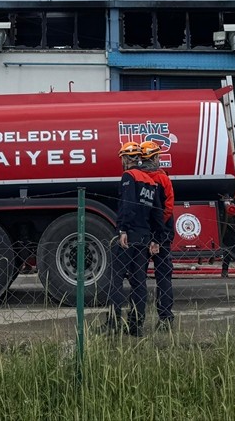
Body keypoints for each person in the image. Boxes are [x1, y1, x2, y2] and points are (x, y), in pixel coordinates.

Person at [104, 141, 167, 337]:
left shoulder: (128, 176)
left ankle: (113, 323)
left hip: (129, 236)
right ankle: (136, 326)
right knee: (139, 281)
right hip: (145, 237)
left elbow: (127, 205)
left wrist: (122, 229)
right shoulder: (150, 180)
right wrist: (156, 237)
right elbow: (158, 212)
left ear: (125, 158)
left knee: (115, 279)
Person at [140, 140, 176, 329]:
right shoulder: (163, 179)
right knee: (163, 276)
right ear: (153, 157)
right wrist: (159, 229)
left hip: (143, 233)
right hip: (162, 234)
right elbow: (168, 207)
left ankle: (137, 319)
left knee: (139, 276)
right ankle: (165, 318)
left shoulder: (137, 178)